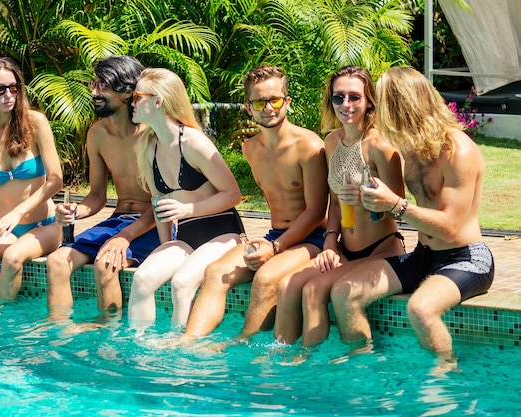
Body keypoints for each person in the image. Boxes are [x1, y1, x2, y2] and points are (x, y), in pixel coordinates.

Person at [330, 66, 495, 356]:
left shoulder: (459, 151)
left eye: (381, 102)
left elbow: (451, 227)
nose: (376, 110)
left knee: (420, 309)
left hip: (465, 258)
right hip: (423, 255)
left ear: (402, 106)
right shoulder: (412, 148)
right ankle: (361, 372)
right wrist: (369, 200)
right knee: (345, 294)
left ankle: (444, 383)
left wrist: (394, 203)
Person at [184, 65, 328, 340]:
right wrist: (272, 243)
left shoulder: (309, 147)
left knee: (264, 279)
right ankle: (189, 343)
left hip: (313, 239)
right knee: (214, 272)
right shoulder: (250, 149)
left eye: (274, 100)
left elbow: (316, 211)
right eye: (259, 102)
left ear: (287, 101)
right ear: (248, 107)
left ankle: (242, 343)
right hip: (275, 236)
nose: (268, 108)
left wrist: (275, 248)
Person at [273, 66, 406, 345]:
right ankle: (279, 358)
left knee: (312, 292)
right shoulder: (331, 141)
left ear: (369, 99)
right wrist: (330, 242)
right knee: (287, 285)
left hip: (382, 249)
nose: (346, 105)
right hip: (344, 246)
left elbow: (398, 208)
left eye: (354, 97)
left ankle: (309, 364)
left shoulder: (380, 146)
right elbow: (334, 200)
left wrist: (365, 200)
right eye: (338, 97)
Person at [127, 67, 244, 328]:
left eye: (137, 97)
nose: (131, 102)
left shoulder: (193, 142)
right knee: (143, 278)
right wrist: (164, 245)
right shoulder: (148, 146)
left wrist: (188, 209)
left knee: (182, 283)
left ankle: (180, 357)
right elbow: (159, 205)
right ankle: (139, 353)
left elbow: (233, 194)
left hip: (222, 233)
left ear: (157, 101)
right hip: (186, 238)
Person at [45, 55, 160, 321]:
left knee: (106, 264)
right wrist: (75, 211)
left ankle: (108, 337)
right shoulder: (97, 133)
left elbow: (163, 203)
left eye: (102, 86)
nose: (94, 92)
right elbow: (97, 195)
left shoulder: (152, 133)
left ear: (127, 92)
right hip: (119, 219)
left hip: (154, 224)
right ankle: (58, 336)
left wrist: (125, 237)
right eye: (93, 84)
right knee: (57, 262)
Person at [0, 57, 63, 311]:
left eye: (14, 87)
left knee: (13, 258)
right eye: (0, 89)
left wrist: (18, 212)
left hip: (43, 225)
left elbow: (56, 180)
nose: (9, 94)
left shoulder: (35, 122)